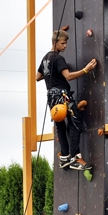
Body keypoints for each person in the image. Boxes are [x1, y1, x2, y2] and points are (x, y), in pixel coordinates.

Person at [36, 29, 97, 171]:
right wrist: (86, 70)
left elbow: (37, 77)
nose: (65, 46)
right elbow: (68, 76)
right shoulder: (58, 59)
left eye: (66, 43)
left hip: (51, 98)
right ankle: (75, 157)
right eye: (63, 43)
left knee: (60, 126)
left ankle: (64, 157)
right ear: (55, 42)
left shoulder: (45, 58)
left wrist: (52, 73)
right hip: (62, 95)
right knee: (76, 123)